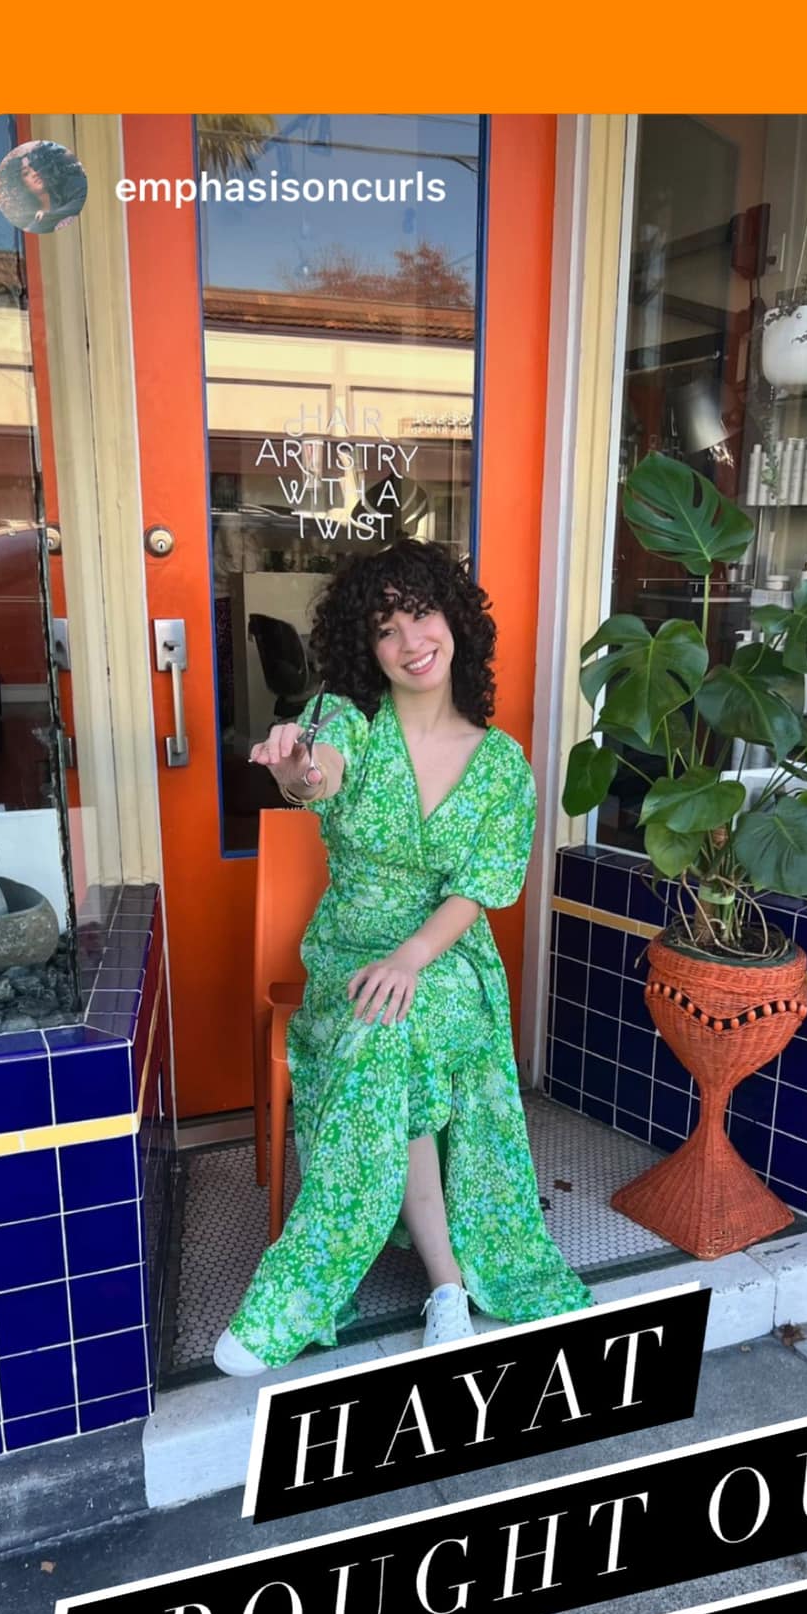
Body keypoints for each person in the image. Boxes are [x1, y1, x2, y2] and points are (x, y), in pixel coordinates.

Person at [212, 538, 590, 1377]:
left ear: (455, 621)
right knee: (388, 1027)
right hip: (350, 952)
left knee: (393, 1021)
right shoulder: (348, 718)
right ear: (367, 648)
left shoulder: (502, 766)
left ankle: (304, 1291)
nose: (409, 641)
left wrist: (413, 958)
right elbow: (315, 775)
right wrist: (298, 770)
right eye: (385, 629)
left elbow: (477, 892)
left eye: (420, 614)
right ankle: (443, 1288)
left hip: (449, 957)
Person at [0, 142, 87, 234]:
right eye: (26, 173)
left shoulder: (68, 186)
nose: (34, 173)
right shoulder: (29, 221)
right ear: (20, 184)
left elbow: (82, 199)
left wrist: (51, 216)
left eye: (35, 166)